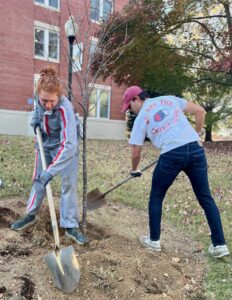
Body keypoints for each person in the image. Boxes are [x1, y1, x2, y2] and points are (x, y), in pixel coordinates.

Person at [122, 86, 229, 258]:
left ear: (136, 99)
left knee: (156, 196)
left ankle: (154, 241)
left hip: (172, 154)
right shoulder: (169, 99)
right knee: (205, 197)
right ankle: (219, 245)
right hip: (195, 151)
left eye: (129, 106)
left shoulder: (141, 118)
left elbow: (136, 152)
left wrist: (135, 169)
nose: (130, 111)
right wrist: (196, 134)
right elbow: (200, 111)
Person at [11, 66, 89, 245]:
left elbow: (69, 144)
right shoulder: (40, 100)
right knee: (38, 179)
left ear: (59, 96)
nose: (47, 104)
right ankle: (30, 214)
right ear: (39, 94)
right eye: (44, 100)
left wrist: (52, 171)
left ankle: (70, 226)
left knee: (68, 184)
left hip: (66, 148)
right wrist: (35, 120)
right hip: (44, 144)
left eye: (51, 101)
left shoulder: (65, 109)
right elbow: (37, 112)